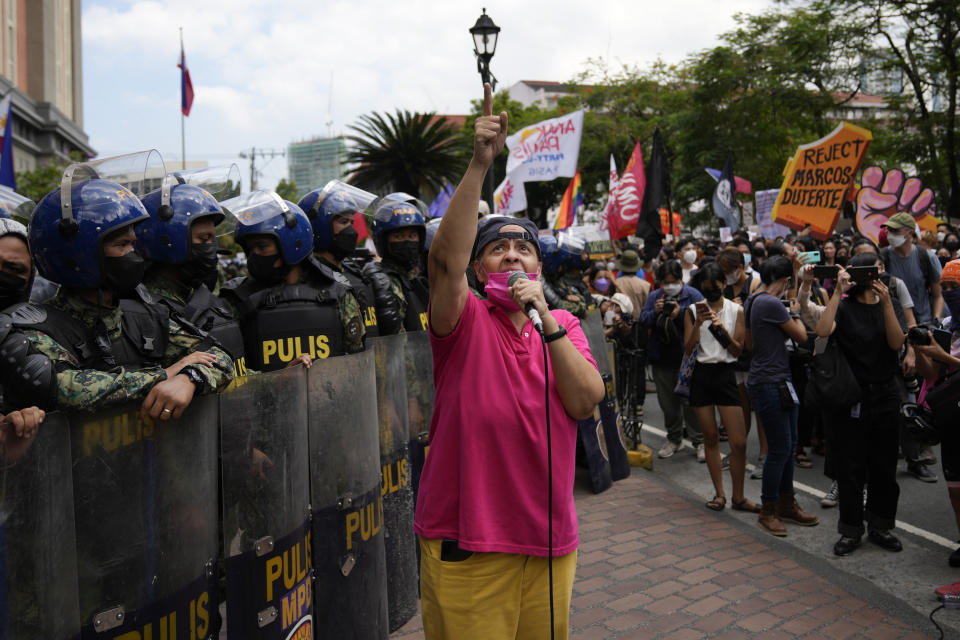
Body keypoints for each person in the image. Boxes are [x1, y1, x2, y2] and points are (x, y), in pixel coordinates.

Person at [415, 83, 604, 640]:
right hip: (468, 542)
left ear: (539, 271)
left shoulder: (562, 326)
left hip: (548, 543)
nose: (515, 255)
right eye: (499, 248)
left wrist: (547, 320)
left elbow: (585, 400)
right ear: (479, 270)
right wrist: (479, 164)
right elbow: (444, 261)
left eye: (526, 248)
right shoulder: (464, 319)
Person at [9, 175, 234, 416]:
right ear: (81, 254)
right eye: (122, 245)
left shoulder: (144, 317)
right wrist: (165, 374)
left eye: (133, 244)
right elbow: (68, 388)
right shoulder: (37, 330)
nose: (134, 254)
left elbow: (219, 358)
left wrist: (189, 379)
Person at [816, 255, 906, 556]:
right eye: (866, 271)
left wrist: (887, 305)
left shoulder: (887, 303)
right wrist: (837, 292)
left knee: (884, 466)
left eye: (877, 270)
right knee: (850, 468)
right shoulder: (843, 305)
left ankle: (881, 525)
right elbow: (823, 331)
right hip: (851, 397)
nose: (873, 276)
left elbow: (896, 343)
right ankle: (851, 530)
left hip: (886, 393)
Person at [221, 195, 366, 370]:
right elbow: (231, 373)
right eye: (250, 249)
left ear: (292, 244)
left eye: (262, 247)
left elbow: (357, 365)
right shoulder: (237, 300)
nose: (254, 256)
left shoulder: (338, 293)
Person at [138, 179, 249, 377]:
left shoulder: (205, 299)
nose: (212, 248)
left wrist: (284, 376)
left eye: (212, 239)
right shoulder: (143, 313)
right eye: (204, 239)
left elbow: (235, 377)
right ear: (170, 240)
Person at [744, 256, 819, 536]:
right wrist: (796, 312)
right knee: (779, 450)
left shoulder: (754, 299)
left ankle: (787, 504)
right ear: (787, 280)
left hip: (772, 379)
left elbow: (750, 343)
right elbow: (801, 336)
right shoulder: (772, 303)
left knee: (788, 446)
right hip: (771, 382)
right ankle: (769, 510)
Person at [683, 262, 757, 512]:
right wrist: (698, 324)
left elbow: (738, 349)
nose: (711, 293)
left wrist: (719, 328)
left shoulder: (736, 309)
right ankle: (720, 494)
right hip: (702, 375)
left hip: (726, 374)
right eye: (706, 289)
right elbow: (688, 348)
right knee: (711, 437)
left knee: (738, 442)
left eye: (715, 288)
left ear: (724, 285)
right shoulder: (693, 310)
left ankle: (739, 496)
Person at [913, 259, 960, 565]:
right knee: (955, 483)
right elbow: (930, 373)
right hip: (951, 415)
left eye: (955, 287)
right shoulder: (946, 326)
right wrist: (920, 349)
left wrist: (947, 357)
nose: (949, 292)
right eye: (945, 287)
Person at [639, 259, 705, 460]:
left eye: (673, 281)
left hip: (688, 358)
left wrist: (680, 314)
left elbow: (704, 320)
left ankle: (699, 441)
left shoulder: (693, 295)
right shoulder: (654, 297)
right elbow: (643, 320)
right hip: (661, 358)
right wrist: (656, 312)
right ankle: (674, 438)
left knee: (691, 402)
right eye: (665, 282)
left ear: (679, 280)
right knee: (668, 403)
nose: (669, 286)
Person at [298, 181, 380, 339]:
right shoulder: (305, 282)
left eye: (352, 223)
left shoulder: (357, 277)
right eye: (343, 222)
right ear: (319, 226)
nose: (351, 230)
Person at [364, 198, 430, 334]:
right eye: (399, 236)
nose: (407, 241)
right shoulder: (385, 282)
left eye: (412, 236)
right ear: (383, 241)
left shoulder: (419, 281)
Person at [881, 212, 943, 325]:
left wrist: (936, 321)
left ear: (910, 233)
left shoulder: (927, 257)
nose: (889, 234)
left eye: (895, 230)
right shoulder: (882, 258)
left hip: (925, 323)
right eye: (888, 230)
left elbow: (938, 295)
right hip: (896, 326)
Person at [538, 234, 589, 317]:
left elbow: (580, 300)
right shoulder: (539, 282)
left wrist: (565, 296)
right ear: (551, 264)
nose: (562, 268)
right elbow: (579, 309)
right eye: (561, 264)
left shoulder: (553, 279)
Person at [614, 249, 650, 322]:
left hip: (619, 324)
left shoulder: (615, 284)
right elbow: (648, 307)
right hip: (640, 324)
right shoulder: (646, 285)